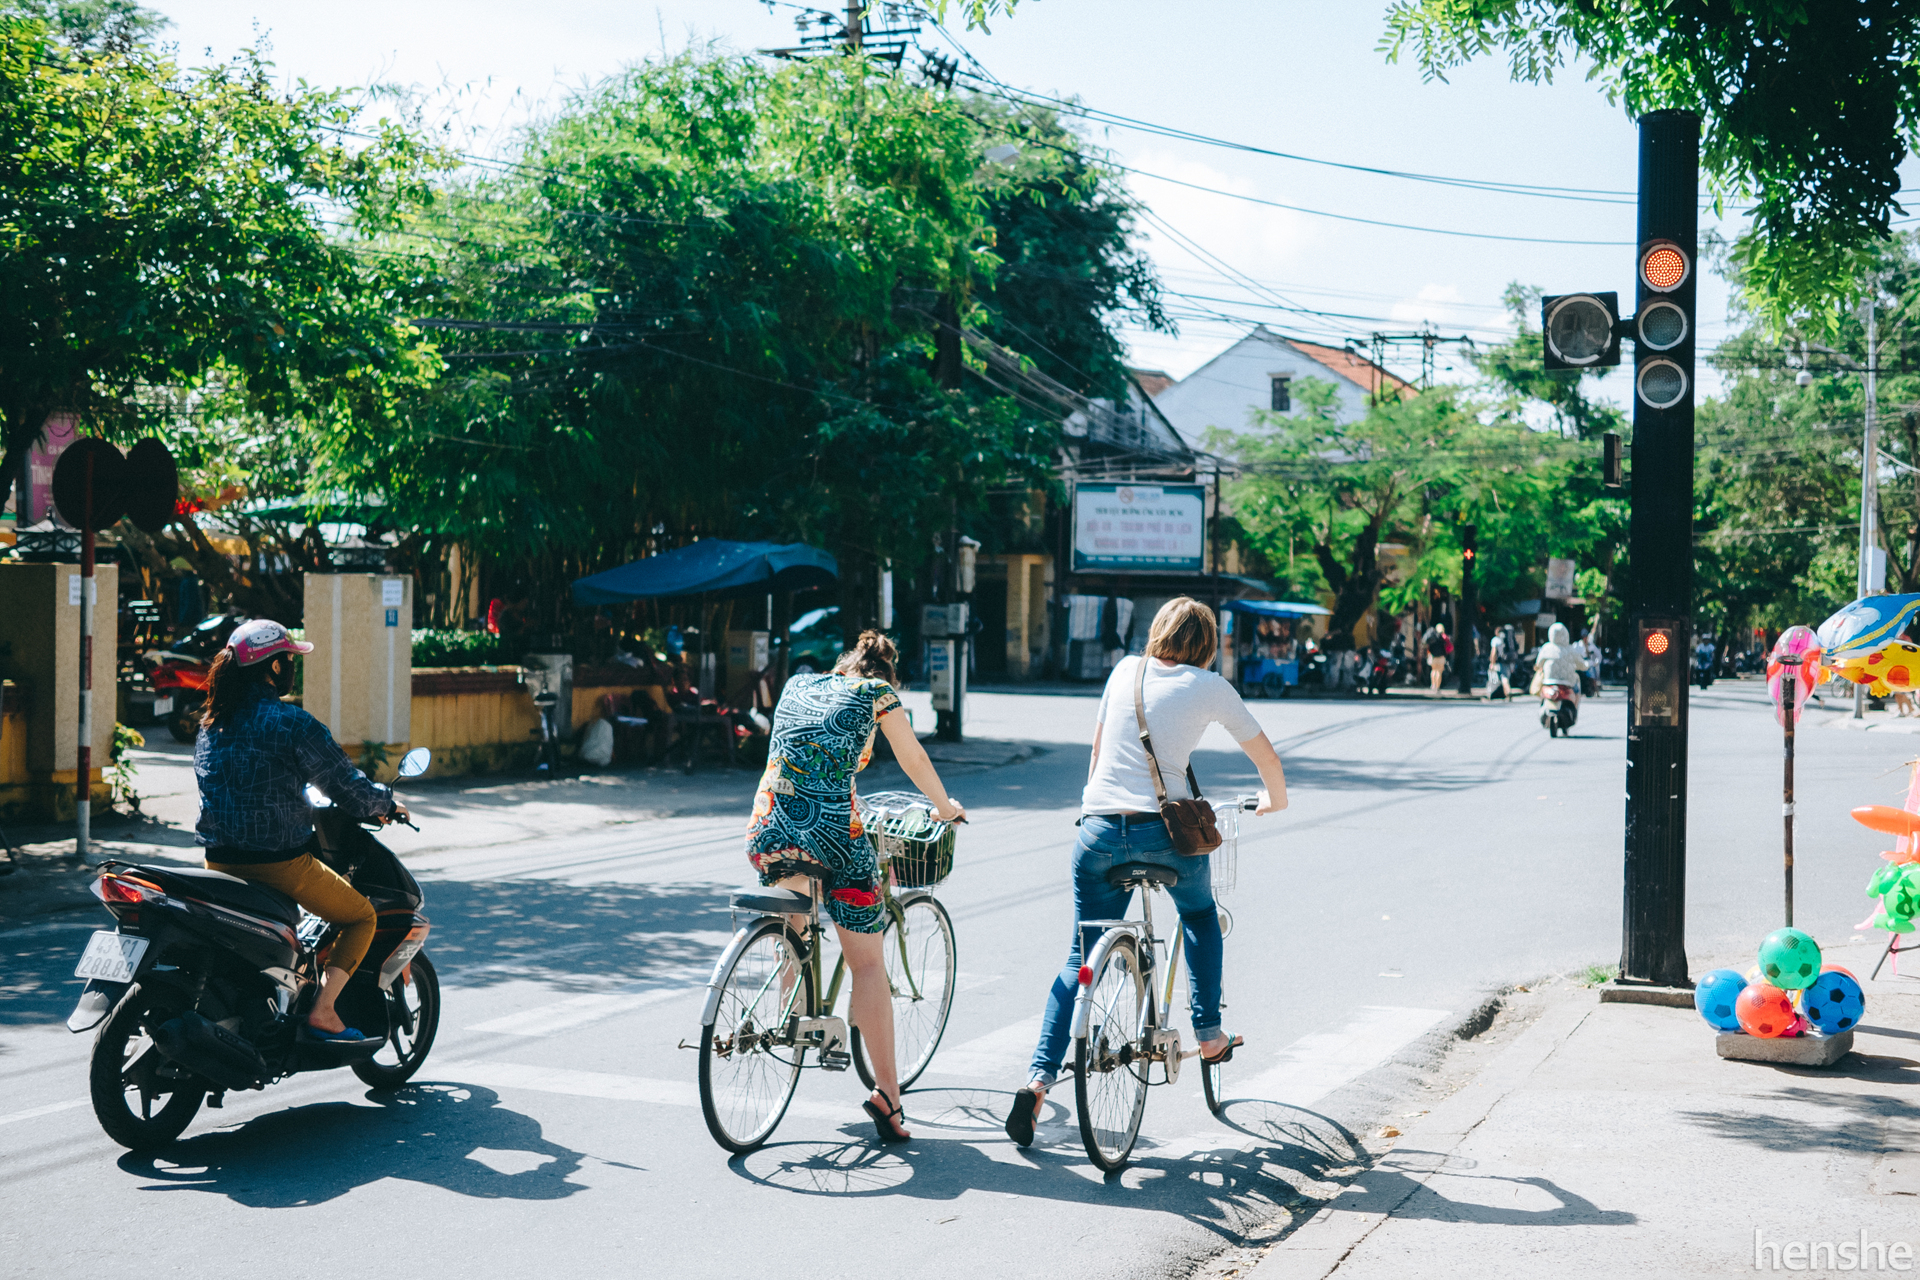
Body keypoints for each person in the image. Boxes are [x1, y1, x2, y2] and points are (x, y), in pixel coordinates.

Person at [1004, 598, 1288, 1148]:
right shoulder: (1209, 686)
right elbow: (1267, 759)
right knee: (1200, 915)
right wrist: (1274, 801)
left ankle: (1037, 1082)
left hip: (1097, 833)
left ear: (1157, 631)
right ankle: (1209, 1035)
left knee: (1079, 960)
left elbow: (1096, 757)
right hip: (1166, 836)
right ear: (1207, 644)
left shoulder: (1124, 671)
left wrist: (1095, 815)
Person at [745, 630, 965, 1144]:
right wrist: (945, 806)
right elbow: (913, 759)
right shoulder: (878, 694)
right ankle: (888, 1095)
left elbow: (805, 759)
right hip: (831, 836)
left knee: (794, 924)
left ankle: (793, 1020)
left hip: (768, 827)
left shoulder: (799, 683)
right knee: (867, 964)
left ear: (845, 665)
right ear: (886, 676)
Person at [194, 619, 405, 1041]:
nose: (293, 667)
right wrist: (386, 804)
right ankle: (324, 1011)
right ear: (274, 667)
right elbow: (347, 787)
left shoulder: (211, 723)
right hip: (280, 866)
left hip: (217, 865)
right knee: (361, 917)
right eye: (289, 659)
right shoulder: (292, 723)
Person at [1532, 622, 1588, 697]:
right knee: (1576, 686)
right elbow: (1582, 665)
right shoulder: (1571, 650)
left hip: (1549, 682)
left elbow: (1539, 664)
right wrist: (1586, 665)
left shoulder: (1546, 648)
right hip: (1568, 683)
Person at [1487, 624, 1518, 700]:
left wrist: (1492, 663)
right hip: (1508, 661)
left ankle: (1508, 692)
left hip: (1499, 662)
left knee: (1504, 678)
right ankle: (1506, 694)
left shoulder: (1495, 640)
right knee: (1505, 677)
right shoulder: (1507, 640)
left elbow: (1493, 652)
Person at [1422, 621, 1449, 693]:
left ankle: (1433, 684)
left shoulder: (1432, 636)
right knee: (1439, 672)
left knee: (1433, 670)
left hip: (1433, 656)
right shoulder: (1443, 636)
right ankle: (1437, 687)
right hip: (1441, 657)